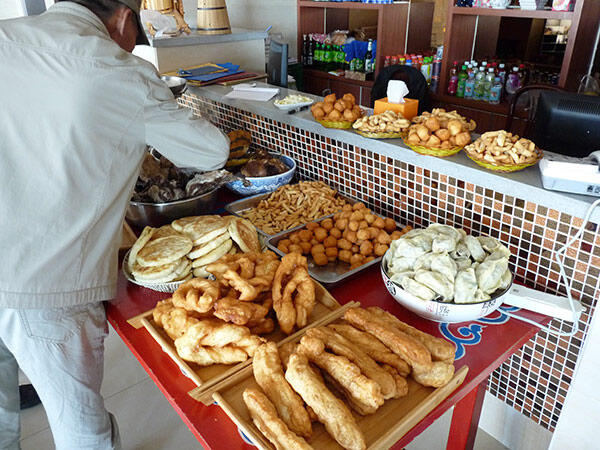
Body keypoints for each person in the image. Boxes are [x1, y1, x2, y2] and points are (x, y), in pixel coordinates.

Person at [0, 0, 229, 448]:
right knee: (80, 425)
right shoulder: (117, 69)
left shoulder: (6, 38)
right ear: (125, 18)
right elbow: (211, 152)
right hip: (46, 281)